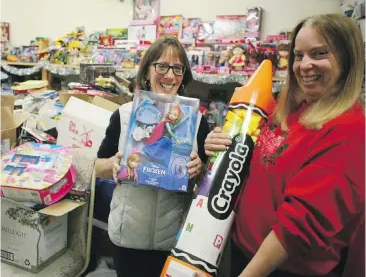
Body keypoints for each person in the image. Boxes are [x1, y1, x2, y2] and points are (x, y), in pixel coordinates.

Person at [203, 14, 365, 277]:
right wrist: (222, 146)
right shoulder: (291, 109)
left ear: (347, 59)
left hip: (278, 269)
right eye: (299, 55)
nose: (305, 65)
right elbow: (254, 166)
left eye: (319, 53)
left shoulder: (349, 129)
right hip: (241, 252)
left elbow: (298, 225)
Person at [94, 36, 210, 277]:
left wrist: (200, 170)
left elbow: (205, 185)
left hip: (174, 240)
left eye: (177, 68)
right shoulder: (125, 115)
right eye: (162, 66)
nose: (169, 76)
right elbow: (98, 165)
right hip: (127, 237)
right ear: (147, 71)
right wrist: (113, 164)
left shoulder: (196, 122)